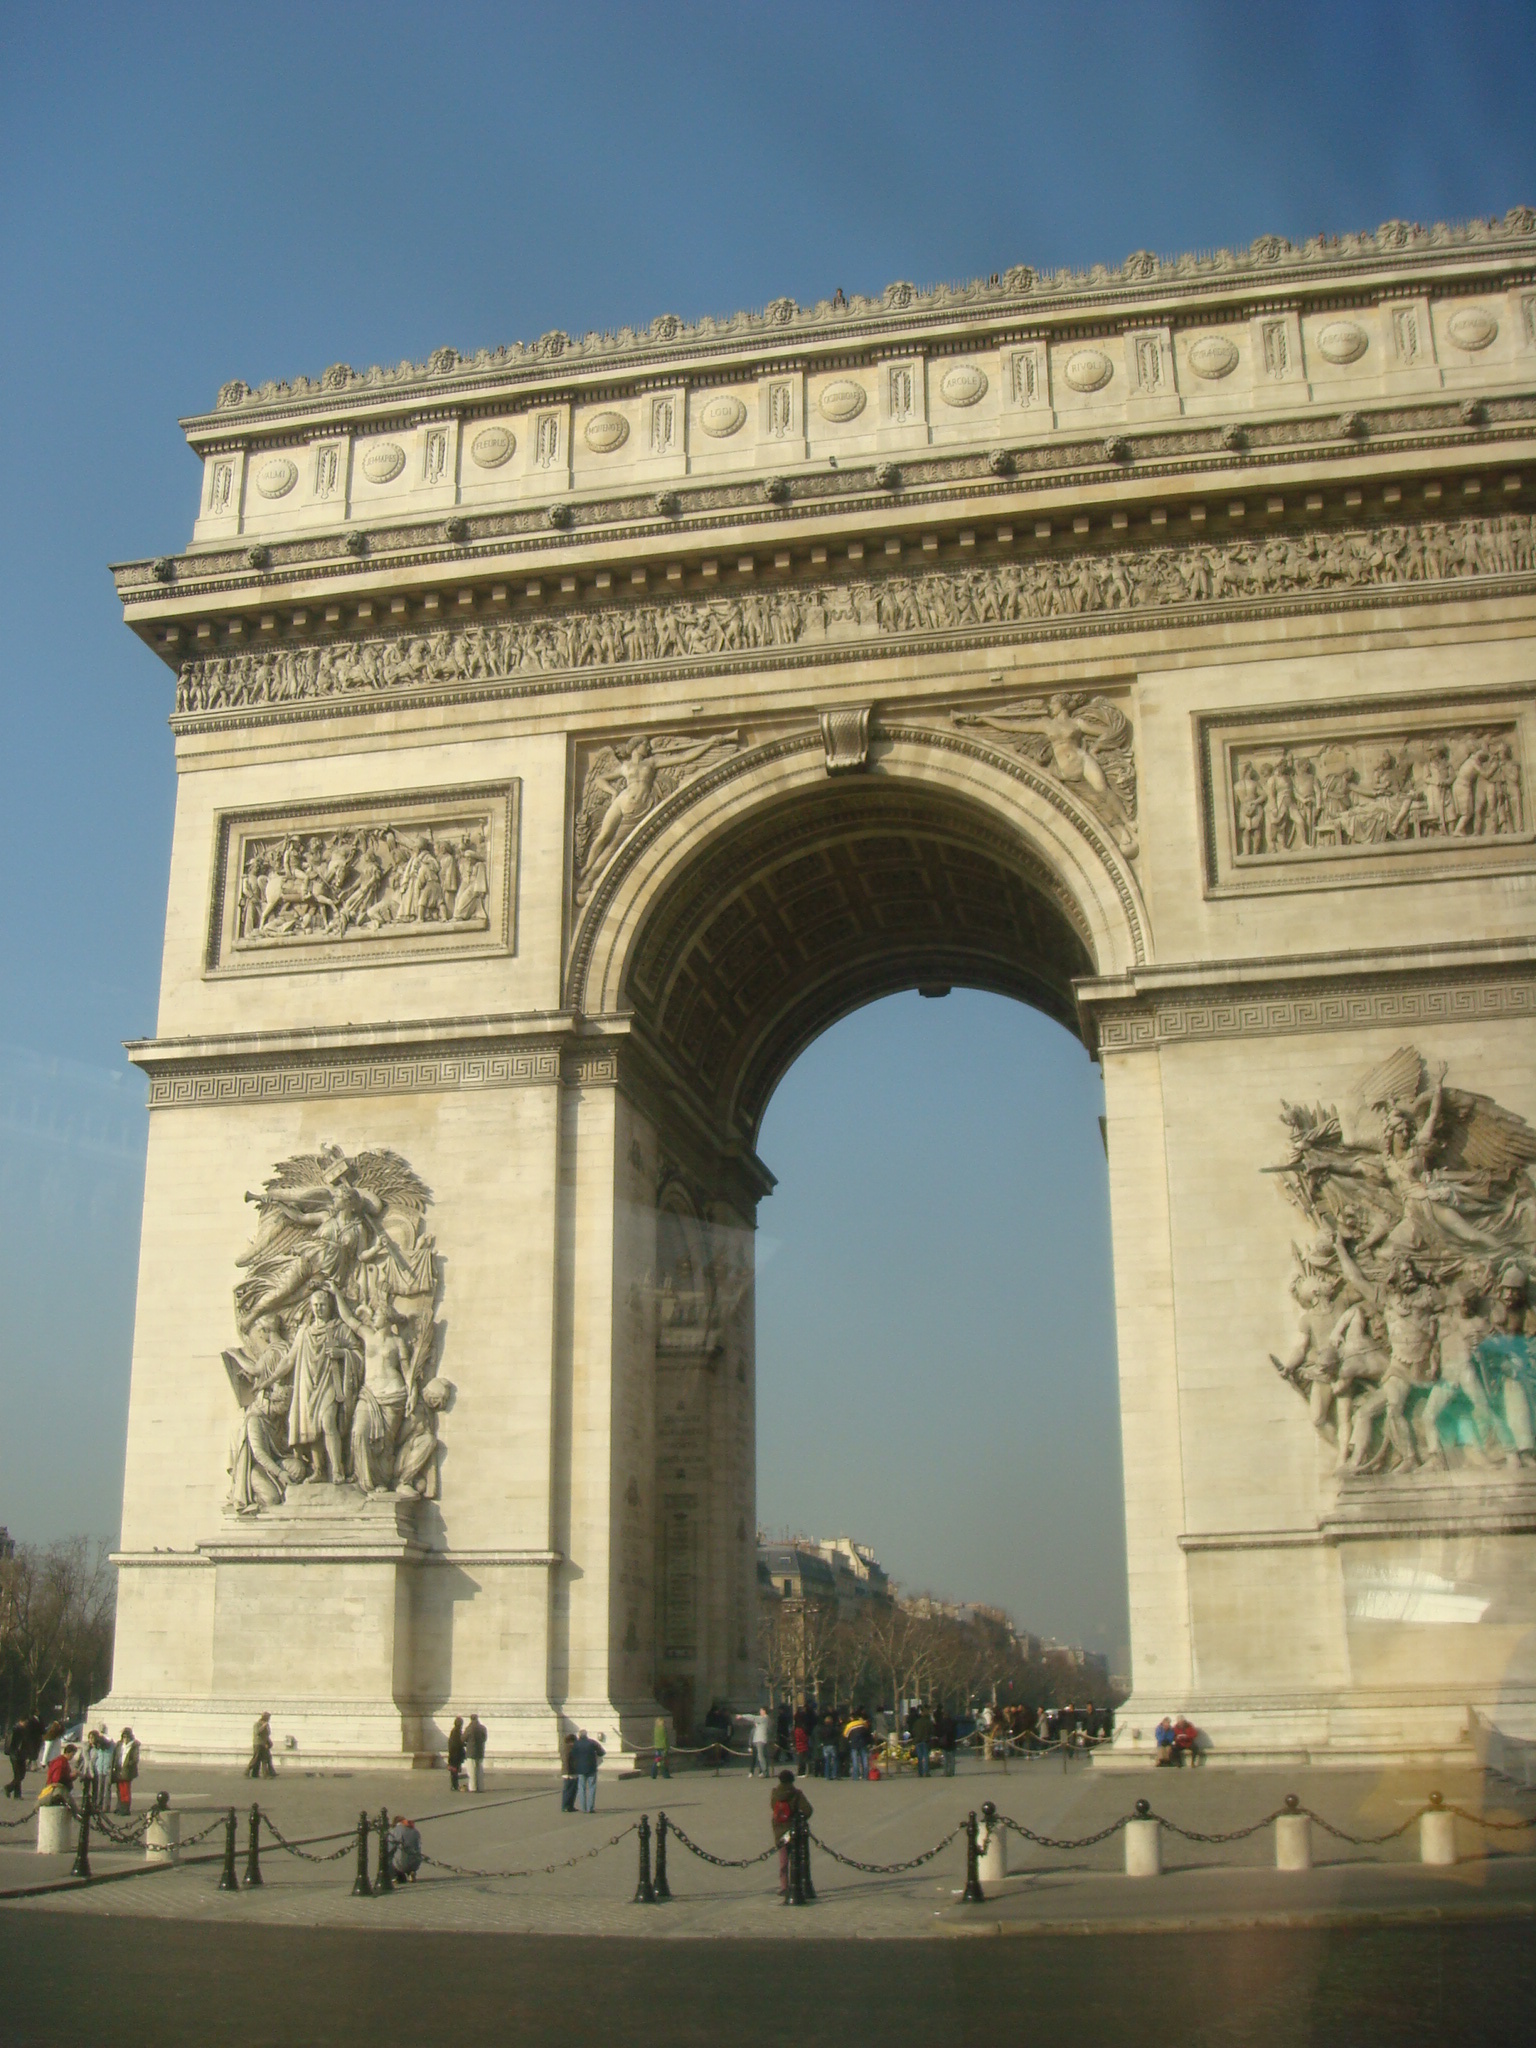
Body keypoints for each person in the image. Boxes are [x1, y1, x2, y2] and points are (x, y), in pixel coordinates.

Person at [769, 1770, 812, 1898]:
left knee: (783, 1860)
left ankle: (784, 1886)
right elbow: (808, 1810)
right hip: (793, 1832)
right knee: (796, 1859)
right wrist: (799, 1819)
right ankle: (797, 1885)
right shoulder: (797, 1794)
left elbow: (773, 1807)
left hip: (779, 1831)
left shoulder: (775, 1793)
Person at [5, 1715, 42, 1800]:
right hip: (16, 1755)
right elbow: (13, 1743)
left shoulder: (22, 1729)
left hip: (21, 1755)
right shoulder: (16, 1729)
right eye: (26, 1722)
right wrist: (14, 1752)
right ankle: (9, 1788)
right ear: (22, 1721)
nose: (27, 1724)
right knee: (19, 1775)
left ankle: (16, 1794)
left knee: (20, 1775)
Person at [569, 1728, 604, 1812]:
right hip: (591, 1768)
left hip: (580, 1769)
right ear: (586, 1735)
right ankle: (590, 1808)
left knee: (581, 1788)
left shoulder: (576, 1744)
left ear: (579, 1736)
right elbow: (601, 1752)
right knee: (592, 1787)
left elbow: (572, 1755)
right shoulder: (592, 1742)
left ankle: (583, 1808)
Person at [387, 1815, 422, 1881]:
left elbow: (389, 1849)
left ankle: (396, 1876)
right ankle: (411, 1873)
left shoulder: (394, 1831)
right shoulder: (415, 1831)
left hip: (401, 1862)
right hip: (415, 1862)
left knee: (388, 1856)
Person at [116, 1729, 140, 1812]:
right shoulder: (120, 1745)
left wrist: (129, 1764)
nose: (125, 1739)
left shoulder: (133, 1746)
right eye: (123, 1737)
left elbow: (135, 1758)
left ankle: (125, 1808)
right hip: (119, 1770)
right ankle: (120, 1806)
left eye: (126, 1737)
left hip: (127, 1771)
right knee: (120, 1790)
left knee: (125, 1790)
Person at [844, 1707, 871, 1781]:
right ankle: (865, 1776)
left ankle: (856, 1776)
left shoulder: (849, 1725)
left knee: (855, 1760)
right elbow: (867, 1732)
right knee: (864, 1759)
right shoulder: (863, 1723)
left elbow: (845, 1735)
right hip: (863, 1743)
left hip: (854, 1744)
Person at [247, 1712, 276, 1779]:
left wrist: (268, 1742)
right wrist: (263, 1726)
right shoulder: (257, 1724)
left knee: (264, 1759)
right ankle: (247, 1771)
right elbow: (258, 1732)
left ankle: (260, 1774)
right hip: (258, 1743)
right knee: (256, 1759)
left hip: (264, 1743)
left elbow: (267, 1735)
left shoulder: (266, 1725)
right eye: (268, 1717)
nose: (269, 1719)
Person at [909, 1703, 934, 1779]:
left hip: (918, 1741)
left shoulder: (917, 1722)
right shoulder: (928, 1722)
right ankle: (926, 1772)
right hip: (925, 1740)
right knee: (926, 1757)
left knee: (919, 1757)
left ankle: (920, 1772)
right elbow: (931, 1730)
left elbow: (913, 1731)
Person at [465, 1713, 487, 1793]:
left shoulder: (469, 1728)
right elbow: (485, 1738)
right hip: (480, 1751)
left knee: (472, 1771)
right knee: (479, 1769)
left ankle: (473, 1787)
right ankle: (481, 1787)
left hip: (471, 1752)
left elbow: (463, 1738)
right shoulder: (483, 1728)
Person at [935, 1707, 958, 1778]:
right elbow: (955, 1732)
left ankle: (945, 1772)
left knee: (945, 1758)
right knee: (952, 1758)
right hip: (951, 1742)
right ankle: (952, 1771)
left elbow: (938, 1732)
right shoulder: (953, 1722)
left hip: (944, 1742)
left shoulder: (941, 1723)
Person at [749, 1706, 772, 1778]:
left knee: (761, 1756)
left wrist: (742, 1716)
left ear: (764, 1711)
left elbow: (753, 1718)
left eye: (761, 1710)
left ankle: (764, 1772)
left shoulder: (764, 1718)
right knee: (763, 1756)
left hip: (760, 1739)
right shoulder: (767, 1719)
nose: (760, 1712)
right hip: (762, 1739)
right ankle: (763, 1771)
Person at [559, 1728, 578, 1813]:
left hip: (569, 1772)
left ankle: (569, 1806)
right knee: (569, 1790)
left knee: (571, 1790)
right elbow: (566, 1760)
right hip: (570, 1772)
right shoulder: (568, 1748)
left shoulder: (566, 1747)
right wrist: (568, 1771)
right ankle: (566, 1806)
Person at [818, 1709, 839, 1781]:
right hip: (832, 1745)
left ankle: (827, 1775)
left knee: (827, 1761)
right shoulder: (833, 1728)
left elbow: (820, 1736)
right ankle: (834, 1775)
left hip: (825, 1745)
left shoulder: (822, 1728)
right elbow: (836, 1736)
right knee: (834, 1760)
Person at [446, 1716, 466, 1792]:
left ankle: (455, 1785)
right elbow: (457, 1743)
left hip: (454, 1753)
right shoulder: (456, 1732)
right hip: (455, 1754)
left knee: (454, 1771)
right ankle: (454, 1785)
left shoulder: (455, 1731)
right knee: (454, 1771)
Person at [650, 1713, 670, 1781]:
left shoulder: (656, 1729)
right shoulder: (662, 1729)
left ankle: (653, 1774)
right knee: (664, 1762)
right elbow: (664, 1739)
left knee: (656, 1761)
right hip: (662, 1748)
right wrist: (666, 1748)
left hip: (657, 1747)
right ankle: (665, 1774)